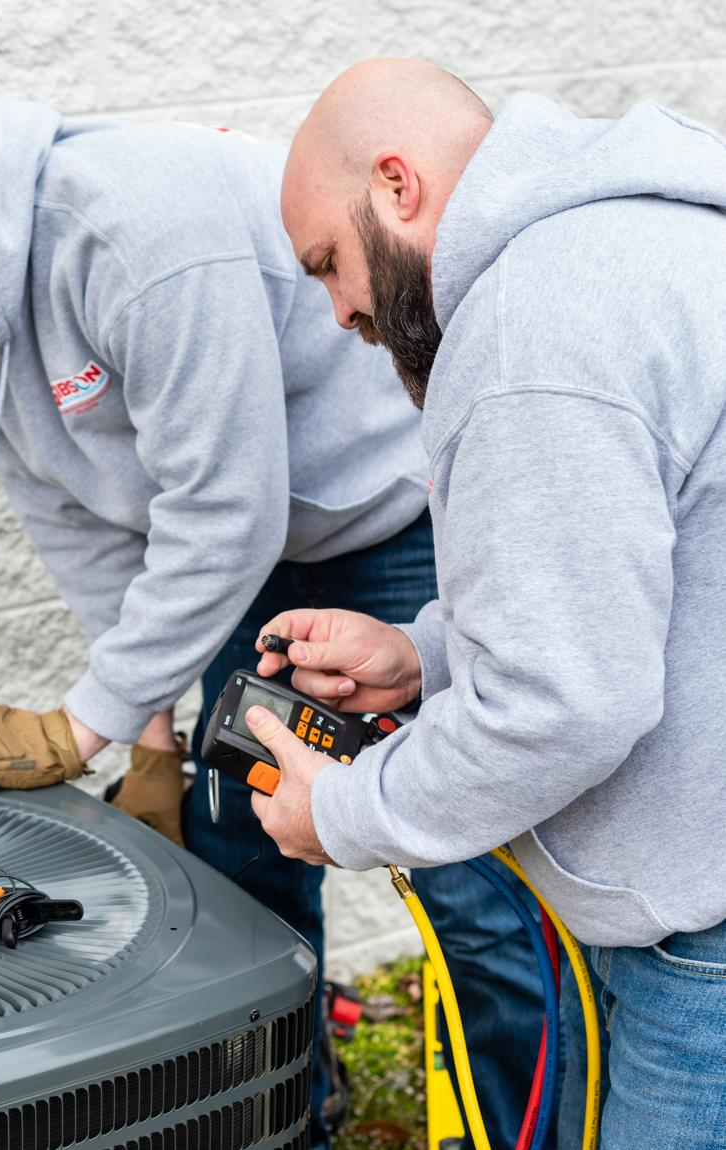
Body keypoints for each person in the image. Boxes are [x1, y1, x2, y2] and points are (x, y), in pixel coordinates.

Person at [0, 108, 537, 1146]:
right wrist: (148, 738)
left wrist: (76, 727)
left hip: (378, 515)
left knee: (461, 873)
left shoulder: (130, 229)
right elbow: (79, 524)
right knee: (237, 855)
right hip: (234, 560)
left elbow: (226, 508)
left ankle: (523, 1120)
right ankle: (281, 1113)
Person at [249, 57, 726, 1150]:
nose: (336, 313)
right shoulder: (655, 237)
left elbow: (561, 704)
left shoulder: (531, 331)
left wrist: (337, 811)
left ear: (396, 183)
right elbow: (653, 584)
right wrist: (424, 655)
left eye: (326, 262)